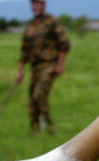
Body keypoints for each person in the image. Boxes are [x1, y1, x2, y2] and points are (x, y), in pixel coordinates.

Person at [15, 0, 70, 136]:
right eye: (33, 4)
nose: (35, 7)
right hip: (35, 67)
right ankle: (35, 129)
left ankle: (49, 127)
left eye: (38, 4)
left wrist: (59, 65)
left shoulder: (52, 22)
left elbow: (64, 44)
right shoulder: (30, 26)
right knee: (32, 98)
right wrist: (20, 72)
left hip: (49, 65)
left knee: (39, 95)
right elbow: (24, 51)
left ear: (44, 5)